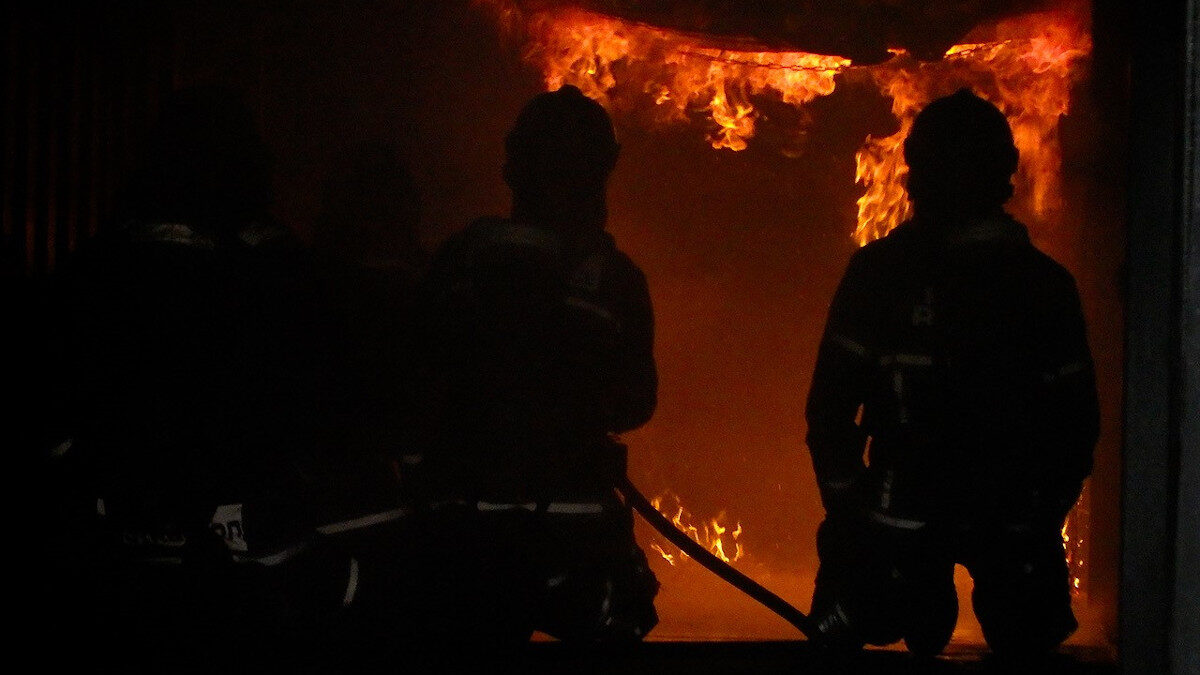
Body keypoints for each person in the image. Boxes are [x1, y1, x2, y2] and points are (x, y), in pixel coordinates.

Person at [46, 87, 355, 660]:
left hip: (118, 557)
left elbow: (55, 404)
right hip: (251, 555)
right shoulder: (275, 274)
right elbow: (320, 406)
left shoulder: (96, 268)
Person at [804, 88, 1099, 658]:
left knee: (1019, 630)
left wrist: (852, 512)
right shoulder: (1040, 285)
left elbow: (830, 410)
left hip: (977, 524)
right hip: (973, 523)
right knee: (1016, 635)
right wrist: (853, 517)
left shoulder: (883, 274)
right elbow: (1076, 425)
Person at [410, 85, 659, 645]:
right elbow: (635, 402)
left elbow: (415, 378)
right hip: (576, 540)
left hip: (462, 535)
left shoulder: (457, 262)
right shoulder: (616, 281)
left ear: (513, 167)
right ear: (602, 171)